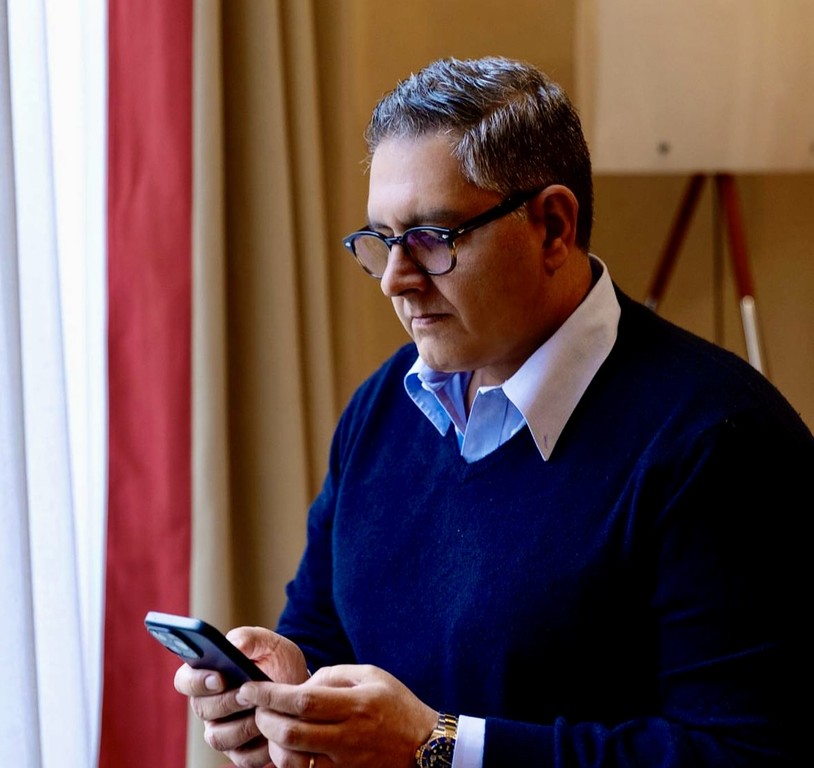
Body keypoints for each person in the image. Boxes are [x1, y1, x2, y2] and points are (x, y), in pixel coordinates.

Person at [175, 55, 813, 768]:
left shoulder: (722, 440)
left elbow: (747, 753)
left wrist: (434, 745)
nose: (395, 281)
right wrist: (285, 692)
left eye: (431, 239)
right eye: (382, 241)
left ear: (553, 227)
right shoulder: (382, 408)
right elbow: (327, 636)